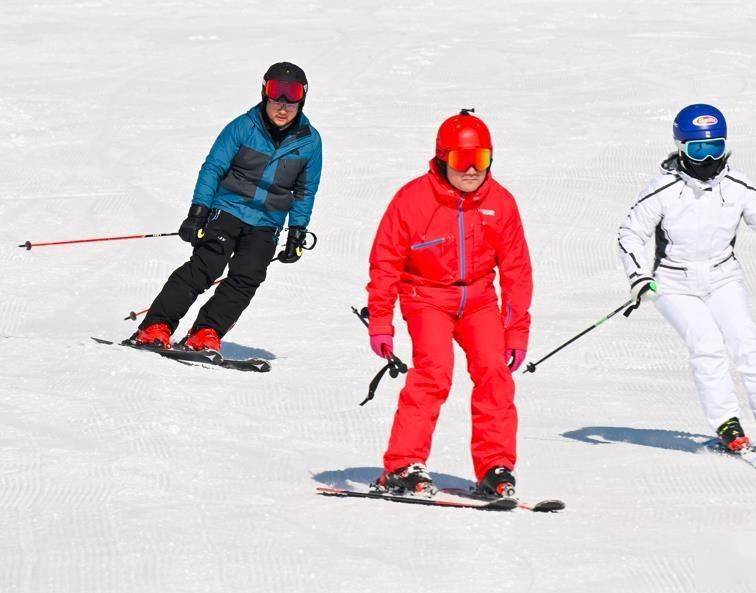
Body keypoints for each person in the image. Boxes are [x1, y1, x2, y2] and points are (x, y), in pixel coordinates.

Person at [365, 109, 532, 497]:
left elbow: (517, 270)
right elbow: (385, 262)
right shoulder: (412, 201)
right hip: (427, 298)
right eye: (463, 161)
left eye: (482, 160)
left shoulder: (501, 203)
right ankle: (402, 465)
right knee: (435, 371)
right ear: (443, 159)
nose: (473, 171)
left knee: (494, 372)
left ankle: (496, 467)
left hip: (478, 301)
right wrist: (381, 322)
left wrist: (516, 331)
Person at [617, 104, 756, 455]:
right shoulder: (663, 189)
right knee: (707, 345)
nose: (707, 158)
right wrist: (638, 275)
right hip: (673, 283)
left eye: (714, 147)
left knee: (748, 343)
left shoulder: (736, 185)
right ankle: (726, 422)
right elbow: (630, 233)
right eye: (697, 149)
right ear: (681, 147)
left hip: (722, 277)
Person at [131, 62, 322, 352]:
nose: (282, 106)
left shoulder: (309, 142)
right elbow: (213, 169)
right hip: (228, 210)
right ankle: (155, 327)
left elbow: (304, 190)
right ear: (264, 93)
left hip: (267, 222)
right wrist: (198, 213)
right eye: (275, 95)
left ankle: (205, 332)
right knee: (205, 267)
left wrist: (296, 231)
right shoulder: (243, 127)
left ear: (303, 98)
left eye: (291, 97)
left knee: (248, 276)